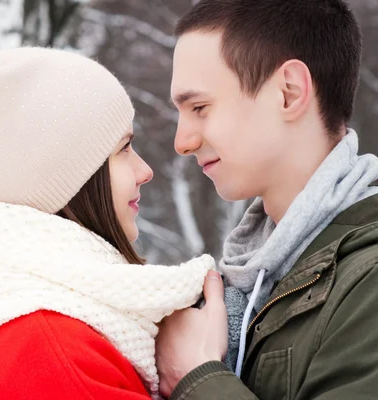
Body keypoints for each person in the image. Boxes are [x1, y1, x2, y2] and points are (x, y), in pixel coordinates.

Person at [0, 47, 216, 400]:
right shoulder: (53, 358)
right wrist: (199, 380)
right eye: (123, 149)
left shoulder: (41, 331)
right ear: (70, 181)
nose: (144, 171)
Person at [155, 0, 378, 399]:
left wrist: (197, 378)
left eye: (200, 107)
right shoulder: (247, 282)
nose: (182, 142)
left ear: (289, 93)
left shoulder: (369, 281)